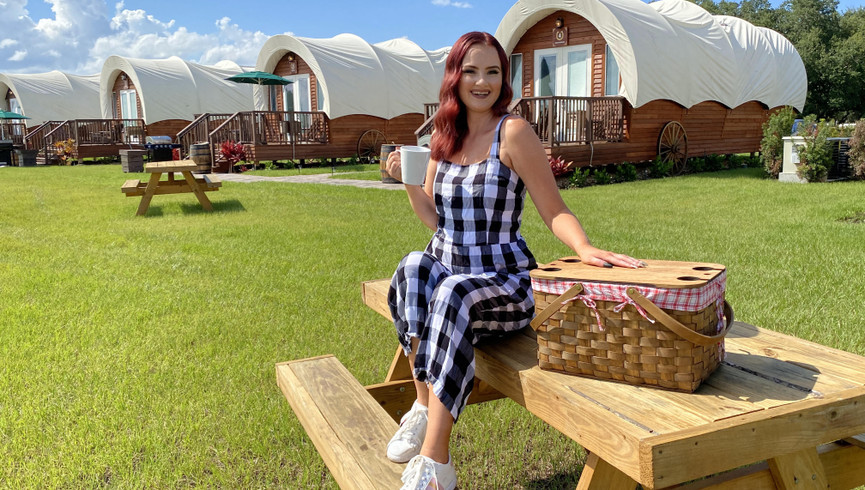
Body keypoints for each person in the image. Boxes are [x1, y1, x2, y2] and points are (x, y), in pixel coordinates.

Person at [385, 31, 644, 490]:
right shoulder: (443, 136)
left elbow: (554, 209)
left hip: (502, 282)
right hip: (447, 269)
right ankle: (422, 407)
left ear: (503, 79)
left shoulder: (513, 132)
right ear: (454, 77)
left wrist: (583, 248)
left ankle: (436, 461)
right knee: (411, 267)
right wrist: (407, 181)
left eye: (492, 72)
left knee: (452, 293)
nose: (481, 82)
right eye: (471, 71)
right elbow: (434, 218)